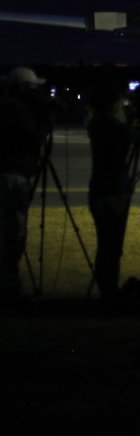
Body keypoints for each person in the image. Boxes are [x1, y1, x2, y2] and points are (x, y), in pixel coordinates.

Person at [86, 79, 140, 304]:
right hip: (114, 191)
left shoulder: (95, 124)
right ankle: (109, 293)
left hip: (98, 190)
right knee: (112, 248)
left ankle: (107, 291)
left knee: (105, 245)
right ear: (112, 103)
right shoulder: (112, 126)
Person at [0, 67, 50, 305]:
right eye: (33, 88)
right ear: (23, 88)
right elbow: (32, 138)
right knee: (14, 232)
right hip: (13, 176)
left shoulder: (10, 106)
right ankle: (9, 286)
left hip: (13, 174)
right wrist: (43, 119)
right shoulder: (16, 109)